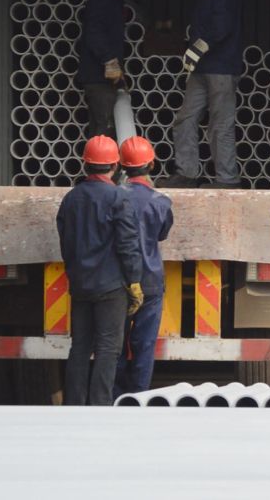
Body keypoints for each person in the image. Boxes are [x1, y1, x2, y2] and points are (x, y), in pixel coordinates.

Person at [56, 135, 145, 406]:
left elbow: (65, 241)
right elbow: (128, 244)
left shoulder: (70, 199)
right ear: (115, 166)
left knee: (80, 348)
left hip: (81, 285)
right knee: (108, 349)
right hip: (110, 287)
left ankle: (74, 404)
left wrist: (75, 273)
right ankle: (100, 406)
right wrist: (134, 282)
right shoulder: (118, 198)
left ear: (85, 164)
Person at [158, 0, 244, 189]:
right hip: (202, 68)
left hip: (222, 68)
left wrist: (199, 46)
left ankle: (227, 179)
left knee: (220, 124)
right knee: (185, 118)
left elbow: (222, 26)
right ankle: (187, 173)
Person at [114, 136, 174, 396]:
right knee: (144, 343)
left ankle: (114, 394)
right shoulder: (160, 202)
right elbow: (161, 234)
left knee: (113, 342)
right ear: (152, 164)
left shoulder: (113, 197)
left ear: (122, 166)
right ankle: (137, 397)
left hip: (117, 280)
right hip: (149, 279)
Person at [77, 0, 138, 138]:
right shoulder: (101, 0)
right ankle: (102, 168)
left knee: (100, 130)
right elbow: (94, 34)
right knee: (106, 128)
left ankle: (97, 167)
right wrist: (109, 61)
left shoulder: (115, 2)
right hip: (98, 79)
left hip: (103, 78)